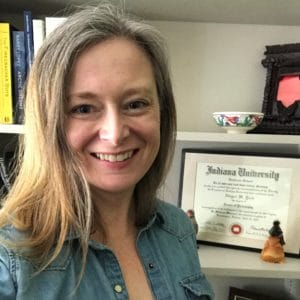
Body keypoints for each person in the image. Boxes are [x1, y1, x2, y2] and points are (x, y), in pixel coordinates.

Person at [0, 4, 214, 299]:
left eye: (136, 104)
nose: (114, 135)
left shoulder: (178, 229)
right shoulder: (8, 258)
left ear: (162, 112)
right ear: (49, 124)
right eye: (83, 108)